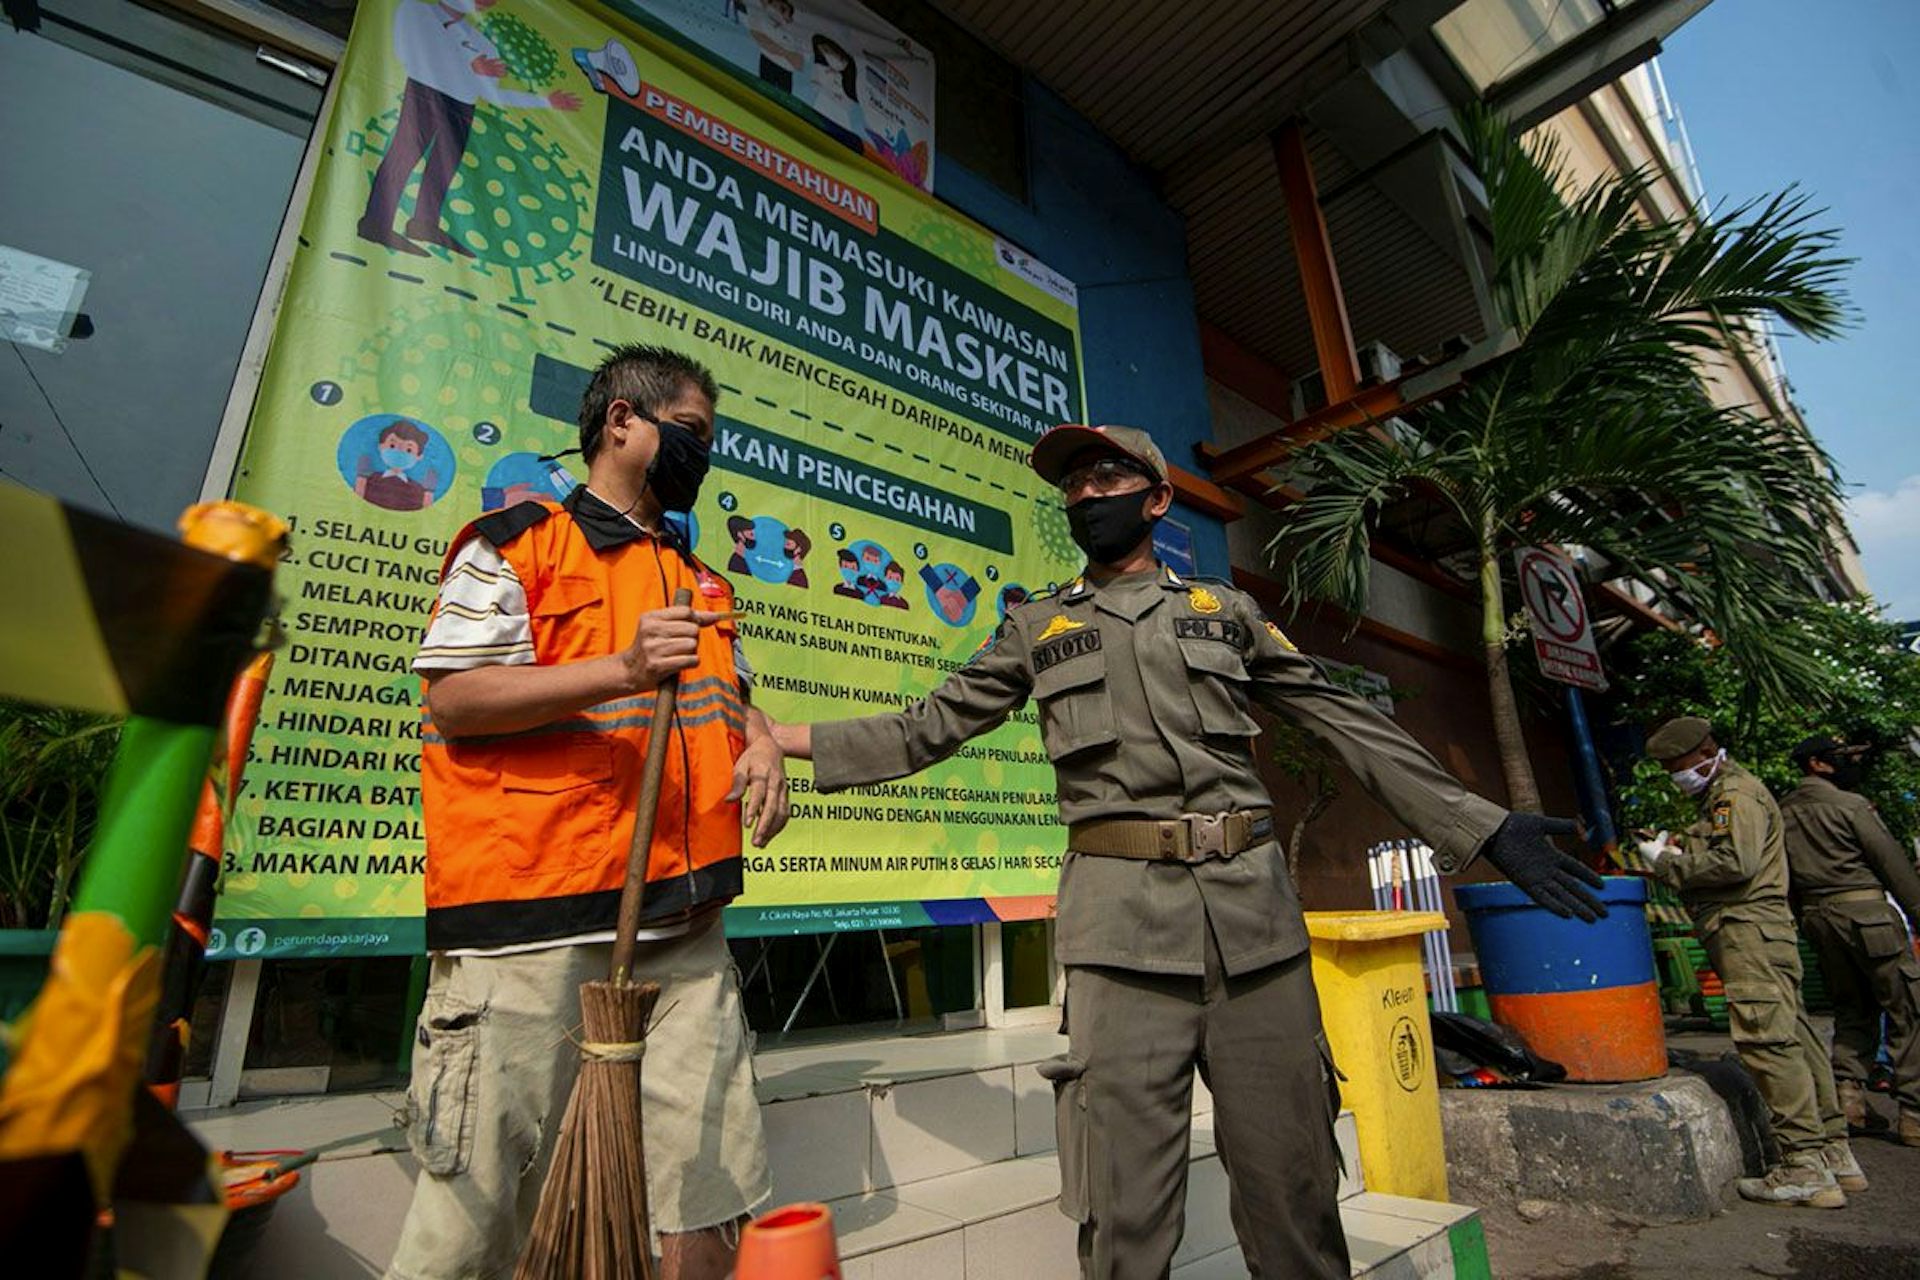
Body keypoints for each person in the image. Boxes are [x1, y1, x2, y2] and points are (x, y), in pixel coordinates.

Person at [767, 424, 1605, 1280]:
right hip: (1119, 942)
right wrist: (780, 735)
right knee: (1124, 1213)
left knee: (1296, 1195)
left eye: (1107, 477)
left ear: (1156, 498)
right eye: (1075, 486)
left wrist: (1486, 826)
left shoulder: (1228, 614)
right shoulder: (1036, 625)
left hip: (1258, 938)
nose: (1089, 496)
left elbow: (1342, 721)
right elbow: (924, 730)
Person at [387, 344, 789, 1280]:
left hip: (686, 932)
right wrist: (618, 668)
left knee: (708, 1195)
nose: (703, 455)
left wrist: (762, 739)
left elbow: (732, 696)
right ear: (620, 423)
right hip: (535, 935)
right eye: (690, 432)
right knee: (479, 1222)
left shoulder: (700, 578)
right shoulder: (519, 543)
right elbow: (452, 699)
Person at [1639, 718, 1861, 1207]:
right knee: (1794, 1034)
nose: (1674, 776)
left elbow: (1734, 865)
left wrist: (1665, 863)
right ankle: (1832, 1153)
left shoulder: (1733, 794)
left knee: (1768, 1040)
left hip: (1746, 930)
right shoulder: (1729, 793)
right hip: (1762, 930)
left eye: (1674, 767)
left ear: (1701, 753)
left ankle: (1804, 1166)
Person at [1778, 736, 1920, 1146]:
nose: (1851, 765)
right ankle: (1913, 1112)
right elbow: (1890, 863)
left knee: (1851, 1008)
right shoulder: (1850, 806)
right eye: (1844, 759)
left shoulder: (1782, 811)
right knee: (1907, 1008)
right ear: (1818, 765)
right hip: (1869, 918)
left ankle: (1849, 1099)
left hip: (1817, 921)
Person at [359, 0, 581, 258]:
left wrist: (546, 101)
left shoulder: (482, 43)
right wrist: (467, 67)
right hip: (425, 95)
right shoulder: (417, 10)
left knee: (443, 169)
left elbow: (492, 93)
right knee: (404, 156)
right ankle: (376, 222)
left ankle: (424, 224)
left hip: (462, 108)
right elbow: (408, 53)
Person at [356, 420, 439, 512]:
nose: (399, 451)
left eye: (408, 450)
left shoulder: (418, 490)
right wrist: (361, 479)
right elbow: (357, 505)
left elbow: (424, 515)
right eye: (392, 445)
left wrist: (429, 493)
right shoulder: (370, 480)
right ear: (380, 446)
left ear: (419, 457)